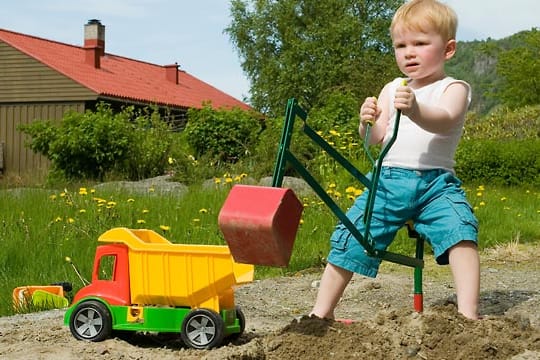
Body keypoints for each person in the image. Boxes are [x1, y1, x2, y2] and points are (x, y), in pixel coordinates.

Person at [310, 0, 480, 320]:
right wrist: (367, 122)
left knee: (461, 230)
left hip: (437, 184)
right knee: (352, 232)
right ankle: (322, 313)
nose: (409, 52)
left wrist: (415, 109)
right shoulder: (394, 87)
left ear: (448, 49)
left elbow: (445, 119)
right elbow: (375, 138)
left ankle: (468, 314)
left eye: (420, 43)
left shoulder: (454, 88)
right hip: (388, 181)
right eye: (401, 45)